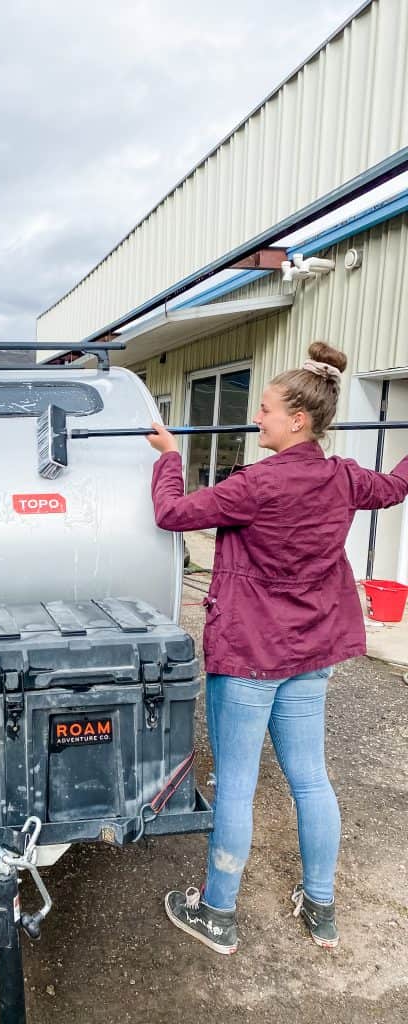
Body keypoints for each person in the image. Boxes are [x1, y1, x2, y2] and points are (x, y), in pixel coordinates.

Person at [146, 342, 408, 954]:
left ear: (298, 419)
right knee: (310, 779)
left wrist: (170, 456)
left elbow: (171, 513)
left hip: (249, 655)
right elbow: (395, 488)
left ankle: (217, 913)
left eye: (263, 410)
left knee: (236, 784)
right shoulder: (345, 477)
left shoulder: (252, 487)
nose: (253, 418)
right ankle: (320, 906)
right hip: (312, 652)